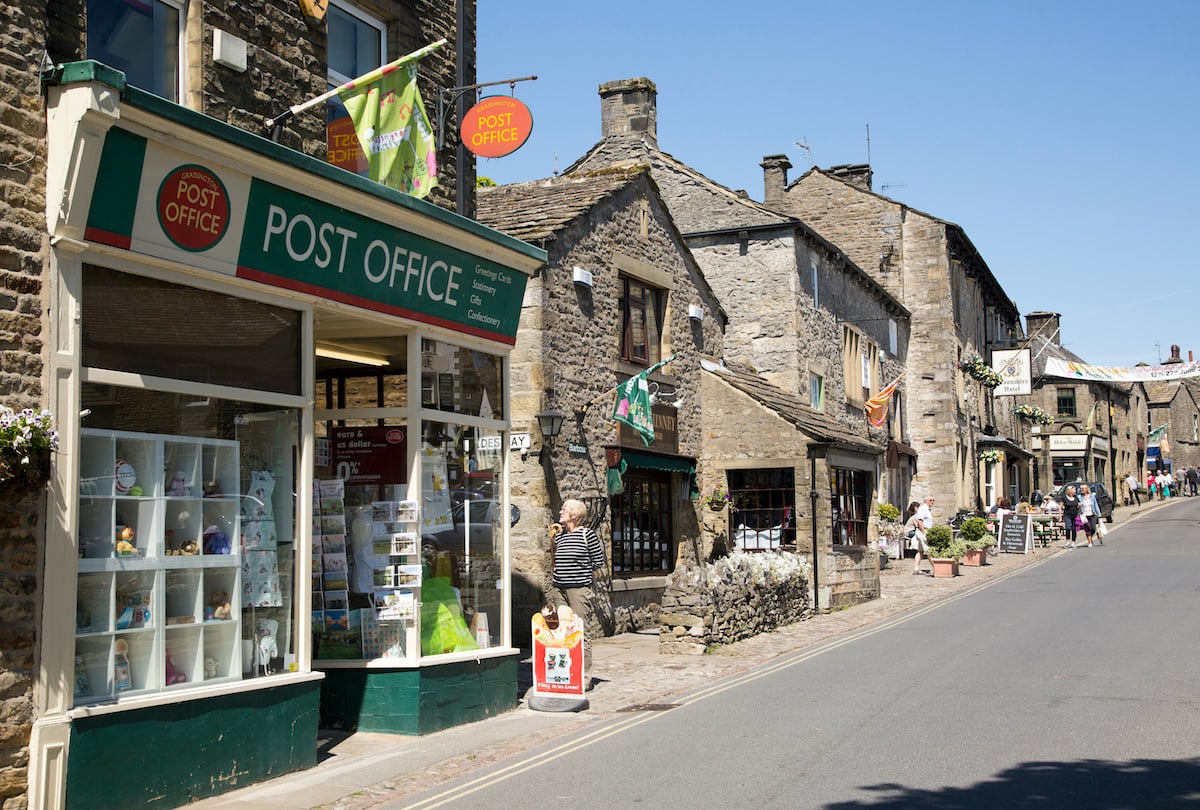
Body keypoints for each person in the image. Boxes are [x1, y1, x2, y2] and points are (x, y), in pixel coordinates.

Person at [548, 498, 607, 675]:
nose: (560, 512)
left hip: (579, 589)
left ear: (574, 514)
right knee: (562, 631)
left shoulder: (586, 535)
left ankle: (584, 675)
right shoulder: (560, 536)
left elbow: (598, 562)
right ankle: (565, 672)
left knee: (580, 630)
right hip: (559, 589)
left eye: (564, 509)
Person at [904, 501, 930, 575]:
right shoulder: (916, 516)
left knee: (920, 550)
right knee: (920, 536)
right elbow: (918, 526)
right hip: (909, 531)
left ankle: (916, 567)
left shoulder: (915, 515)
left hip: (912, 530)